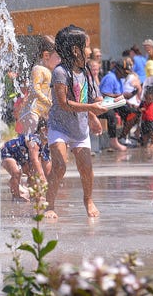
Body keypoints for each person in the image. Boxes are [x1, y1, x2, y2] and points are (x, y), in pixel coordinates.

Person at [44, 25, 107, 219]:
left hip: (79, 128)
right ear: (75, 50)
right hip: (59, 127)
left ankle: (88, 199)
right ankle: (49, 206)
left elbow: (91, 98)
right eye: (87, 46)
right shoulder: (60, 72)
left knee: (86, 168)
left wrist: (101, 110)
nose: (89, 51)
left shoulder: (86, 71)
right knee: (60, 165)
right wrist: (90, 109)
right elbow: (64, 104)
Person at [17, 35, 59, 135]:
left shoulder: (51, 72)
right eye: (58, 57)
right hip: (31, 112)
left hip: (41, 114)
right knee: (30, 143)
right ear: (46, 56)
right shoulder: (39, 69)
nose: (60, 61)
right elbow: (35, 90)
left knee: (41, 143)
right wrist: (49, 102)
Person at [1, 119, 51, 202]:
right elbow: (34, 160)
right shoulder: (34, 140)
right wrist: (42, 177)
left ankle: (33, 195)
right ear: (43, 130)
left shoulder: (46, 144)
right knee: (16, 172)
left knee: (31, 173)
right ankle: (16, 196)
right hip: (8, 151)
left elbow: (45, 165)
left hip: (22, 155)